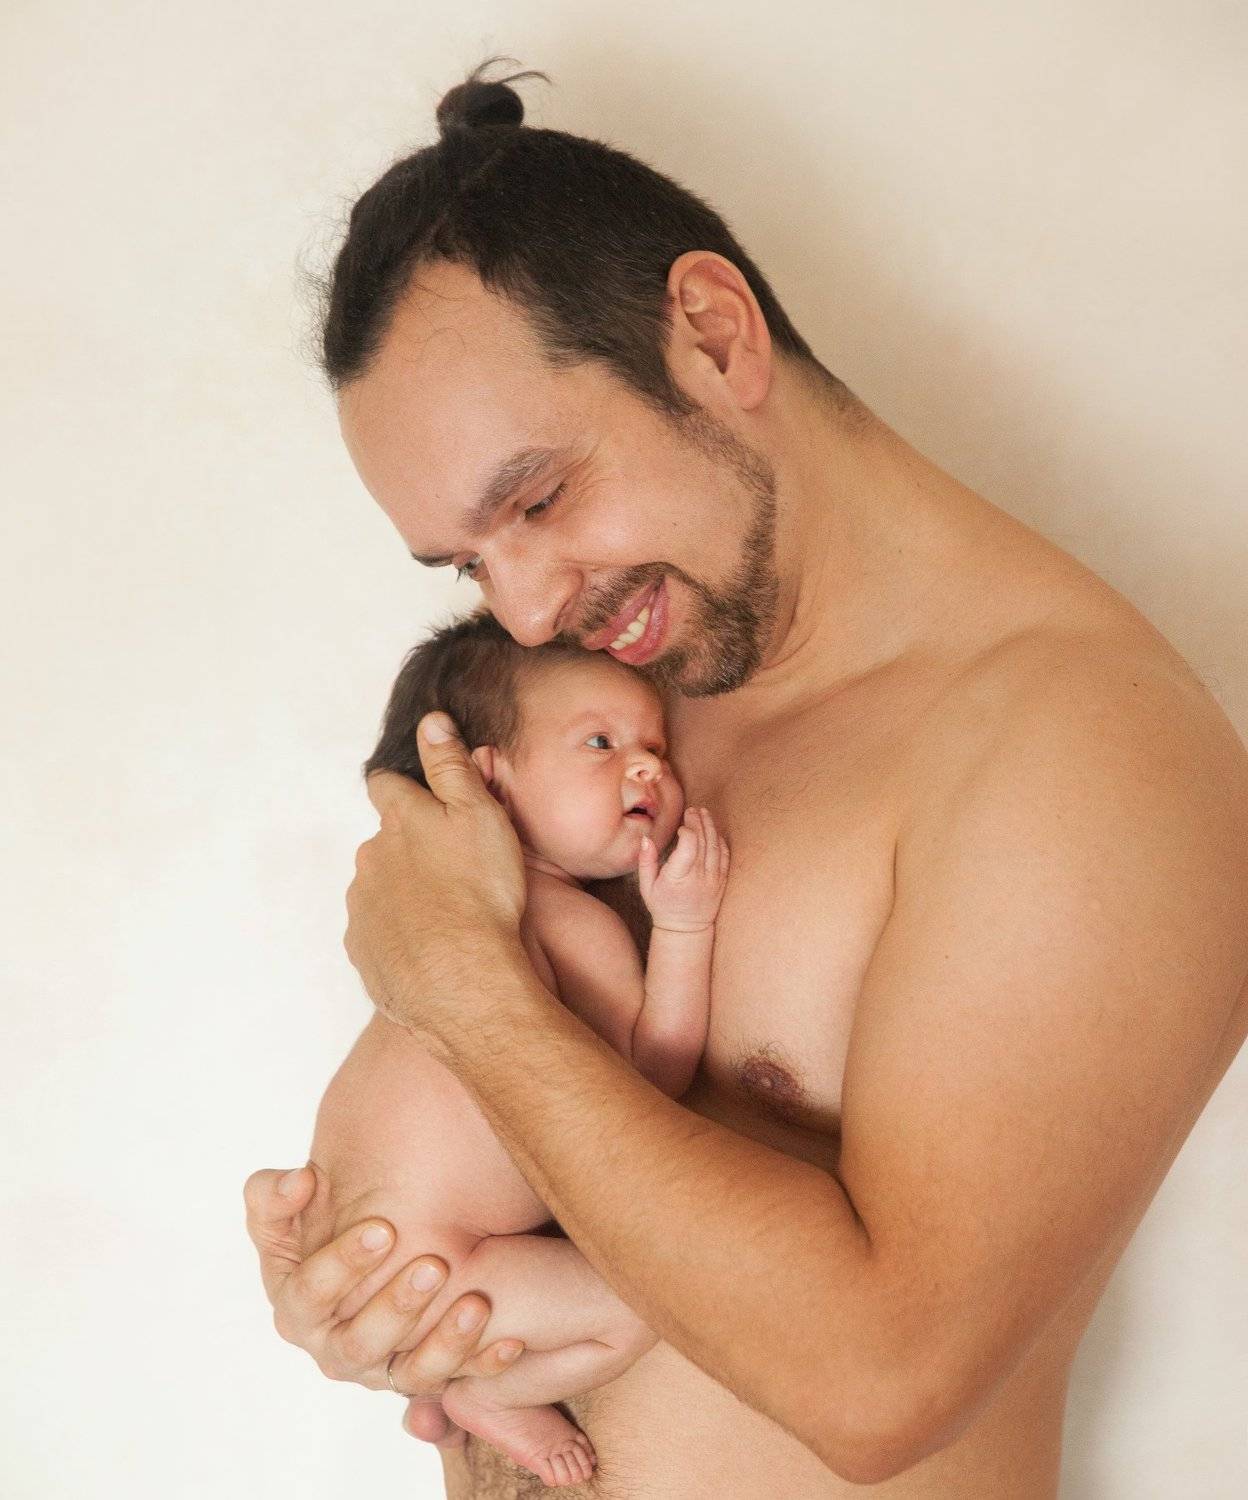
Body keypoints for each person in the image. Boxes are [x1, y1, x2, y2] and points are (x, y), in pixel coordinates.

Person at [243, 58, 1248, 1499]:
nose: (524, 609)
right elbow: (493, 1125)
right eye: (469, 564)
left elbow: (884, 1382)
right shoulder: (616, 696)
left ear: (714, 335)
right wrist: (365, 1279)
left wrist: (463, 992)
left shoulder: (1086, 752)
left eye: (540, 499)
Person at [302, 609, 728, 1486]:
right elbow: (649, 1084)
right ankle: (489, 1394)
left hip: (365, 1256)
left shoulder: (424, 930)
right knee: (648, 1304)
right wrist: (685, 926)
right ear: (485, 785)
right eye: (601, 743)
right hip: (447, 1270)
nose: (647, 767)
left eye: (655, 746)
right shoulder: (572, 924)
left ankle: (441, 1384)